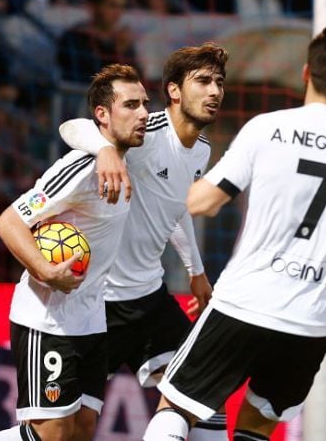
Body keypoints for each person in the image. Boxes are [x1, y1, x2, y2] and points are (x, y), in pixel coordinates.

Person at [142, 26, 326, 441]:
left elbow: (204, 203)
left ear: (306, 73)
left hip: (245, 302)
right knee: (258, 425)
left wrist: (163, 174)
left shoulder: (267, 129)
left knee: (175, 405)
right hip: (310, 323)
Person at [58, 43, 229, 440]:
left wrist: (196, 271)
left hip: (150, 299)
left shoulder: (201, 150)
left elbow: (173, 206)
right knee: (71, 430)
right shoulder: (142, 132)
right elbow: (71, 127)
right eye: (202, 81)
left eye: (219, 83)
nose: (214, 91)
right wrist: (104, 150)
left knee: (204, 393)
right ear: (173, 91)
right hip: (98, 305)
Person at [0, 64, 149, 441]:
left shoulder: (126, 153)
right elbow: (8, 221)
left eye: (145, 103)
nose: (143, 113)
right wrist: (47, 270)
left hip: (92, 318)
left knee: (81, 431)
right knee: (52, 434)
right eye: (131, 105)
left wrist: (106, 147)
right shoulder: (80, 168)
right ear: (103, 115)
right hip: (47, 319)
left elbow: (72, 127)